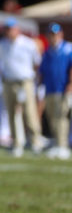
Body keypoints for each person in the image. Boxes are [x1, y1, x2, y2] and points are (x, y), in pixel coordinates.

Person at [0, 19, 43, 157]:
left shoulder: (28, 44)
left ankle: (35, 141)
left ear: (17, 29)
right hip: (9, 81)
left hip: (25, 81)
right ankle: (16, 142)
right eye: (7, 29)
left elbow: (36, 62)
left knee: (29, 112)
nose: (9, 32)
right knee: (11, 113)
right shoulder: (2, 44)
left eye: (11, 29)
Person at [39, 23, 72, 159]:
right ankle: (57, 144)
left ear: (61, 34)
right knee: (52, 118)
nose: (53, 37)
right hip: (50, 88)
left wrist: (70, 84)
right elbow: (42, 71)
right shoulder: (47, 52)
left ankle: (63, 145)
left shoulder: (68, 49)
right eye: (51, 34)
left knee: (61, 118)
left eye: (56, 34)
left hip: (62, 88)